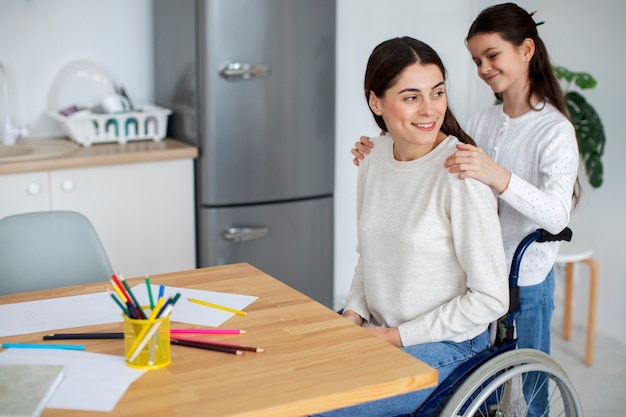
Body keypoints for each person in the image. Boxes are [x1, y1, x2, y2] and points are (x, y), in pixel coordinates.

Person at [352, 4, 579, 415]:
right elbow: (429, 149)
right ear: (377, 101)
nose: (484, 68)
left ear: (527, 50)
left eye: (492, 55)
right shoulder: (484, 120)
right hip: (462, 265)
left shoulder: (553, 130)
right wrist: (381, 150)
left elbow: (557, 216)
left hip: (521, 274)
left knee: (530, 393)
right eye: (476, 60)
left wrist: (495, 175)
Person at [315, 37, 508, 417]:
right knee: (283, 385)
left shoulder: (461, 174)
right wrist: (351, 317)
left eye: (436, 93)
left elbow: (491, 298)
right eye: (411, 96)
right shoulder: (373, 158)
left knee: (320, 407)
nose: (429, 109)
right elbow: (369, 258)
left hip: (449, 348)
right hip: (378, 329)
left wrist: (393, 337)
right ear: (376, 102)